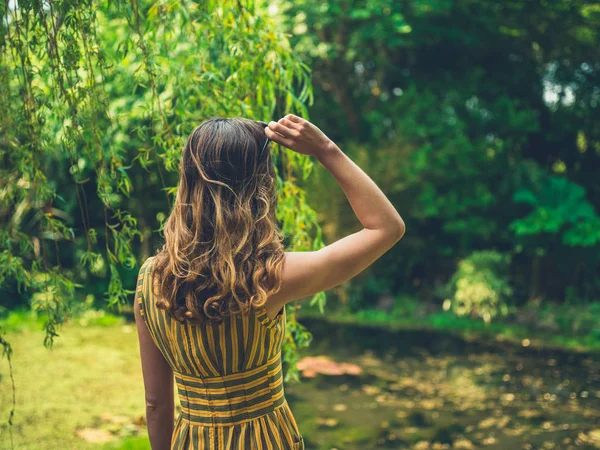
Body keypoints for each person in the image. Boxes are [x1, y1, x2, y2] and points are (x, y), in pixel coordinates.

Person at [133, 114, 406, 449]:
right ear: (259, 187)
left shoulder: (152, 279)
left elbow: (156, 404)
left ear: (188, 181)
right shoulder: (269, 277)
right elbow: (386, 227)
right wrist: (326, 150)